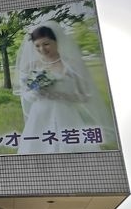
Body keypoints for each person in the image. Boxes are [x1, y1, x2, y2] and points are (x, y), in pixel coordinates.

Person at [15, 21, 113, 155]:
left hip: (65, 114)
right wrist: (34, 93)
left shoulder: (71, 65)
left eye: (46, 44)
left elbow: (84, 96)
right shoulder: (32, 66)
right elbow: (25, 93)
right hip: (39, 115)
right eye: (37, 45)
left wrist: (59, 95)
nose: (42, 49)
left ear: (57, 41)